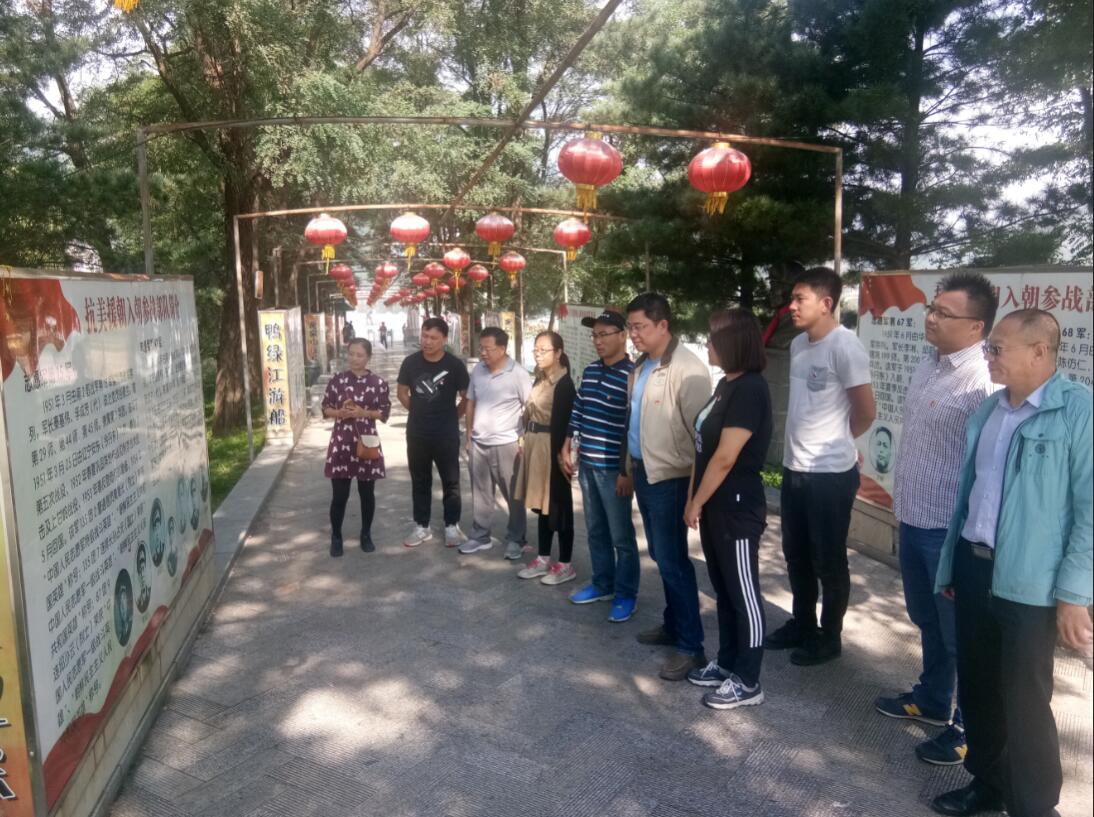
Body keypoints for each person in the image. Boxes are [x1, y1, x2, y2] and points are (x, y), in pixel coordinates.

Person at [931, 309, 1092, 817]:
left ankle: (1035, 807)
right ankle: (989, 784)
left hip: (1031, 582)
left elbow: (1090, 511)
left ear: (1039, 352)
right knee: (977, 687)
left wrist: (1074, 594)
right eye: (990, 348)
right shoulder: (991, 409)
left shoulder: (1078, 411)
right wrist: (953, 565)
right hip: (974, 565)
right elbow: (971, 495)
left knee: (1025, 701)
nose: (989, 356)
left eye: (997, 348)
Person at [873, 272, 996, 766]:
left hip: (949, 530)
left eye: (945, 313)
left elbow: (987, 468)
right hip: (913, 516)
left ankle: (969, 727)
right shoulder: (929, 363)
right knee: (926, 618)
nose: (931, 318)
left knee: (959, 632)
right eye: (932, 308)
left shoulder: (983, 382)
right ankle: (932, 698)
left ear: (976, 327)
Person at [765, 266, 875, 666]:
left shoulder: (846, 347)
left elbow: (865, 412)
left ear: (826, 303)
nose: (791, 306)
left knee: (828, 559)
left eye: (800, 299)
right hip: (795, 468)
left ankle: (830, 637)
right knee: (796, 554)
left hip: (829, 475)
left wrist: (839, 443)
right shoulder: (799, 345)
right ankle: (802, 623)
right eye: (792, 299)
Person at [683, 308, 773, 710]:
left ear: (734, 343)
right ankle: (727, 663)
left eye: (713, 338)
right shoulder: (725, 384)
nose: (707, 344)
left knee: (743, 593)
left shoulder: (751, 389)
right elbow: (701, 448)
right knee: (723, 588)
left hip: (737, 508)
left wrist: (698, 500)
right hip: (715, 505)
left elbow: (725, 457)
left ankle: (748, 680)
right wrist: (693, 498)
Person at [623, 292, 713, 681]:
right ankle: (673, 624)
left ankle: (691, 648)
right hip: (645, 471)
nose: (633, 334)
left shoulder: (688, 369)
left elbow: (702, 438)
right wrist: (628, 467)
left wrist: (695, 494)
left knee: (673, 560)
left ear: (663, 325)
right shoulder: (642, 364)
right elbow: (634, 420)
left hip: (673, 479)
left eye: (640, 327)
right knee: (662, 556)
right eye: (630, 327)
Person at [560, 309, 640, 623]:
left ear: (622, 336)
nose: (598, 340)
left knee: (621, 537)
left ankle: (626, 594)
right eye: (595, 335)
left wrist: (626, 471)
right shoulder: (591, 370)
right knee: (595, 531)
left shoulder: (633, 375)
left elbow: (633, 427)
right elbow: (579, 408)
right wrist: (567, 442)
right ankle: (603, 584)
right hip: (588, 465)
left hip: (613, 470)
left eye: (604, 334)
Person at [397, 317, 470, 548]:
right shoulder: (410, 362)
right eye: (424, 336)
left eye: (433, 338)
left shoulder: (455, 365)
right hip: (417, 433)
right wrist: (419, 411)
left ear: (444, 339)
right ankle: (422, 526)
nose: (427, 342)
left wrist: (453, 416)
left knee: (451, 481)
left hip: (446, 434)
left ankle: (452, 525)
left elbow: (467, 397)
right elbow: (401, 393)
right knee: (420, 480)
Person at [460, 327, 532, 558]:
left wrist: (524, 440)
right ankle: (480, 536)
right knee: (481, 493)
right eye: (481, 348)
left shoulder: (518, 374)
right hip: (479, 443)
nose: (483, 353)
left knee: (513, 494)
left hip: (507, 443)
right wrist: (469, 435)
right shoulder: (478, 370)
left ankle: (516, 539)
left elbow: (529, 408)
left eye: (487, 349)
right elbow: (470, 402)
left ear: (502, 349)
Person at [515, 331, 577, 585]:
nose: (538, 355)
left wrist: (563, 456)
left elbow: (566, 425)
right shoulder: (540, 379)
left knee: (560, 506)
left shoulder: (564, 384)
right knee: (542, 506)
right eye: (536, 350)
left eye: (544, 350)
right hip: (535, 447)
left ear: (558, 353)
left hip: (553, 449)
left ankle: (565, 563)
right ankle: (543, 558)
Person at [322, 337, 391, 556]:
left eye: (359, 355)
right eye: (351, 354)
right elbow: (325, 408)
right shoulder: (337, 381)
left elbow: (384, 413)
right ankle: (336, 536)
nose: (354, 358)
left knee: (367, 493)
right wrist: (339, 412)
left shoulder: (378, 383)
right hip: (342, 442)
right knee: (339, 495)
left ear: (368, 357)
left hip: (367, 442)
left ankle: (366, 534)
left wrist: (364, 413)